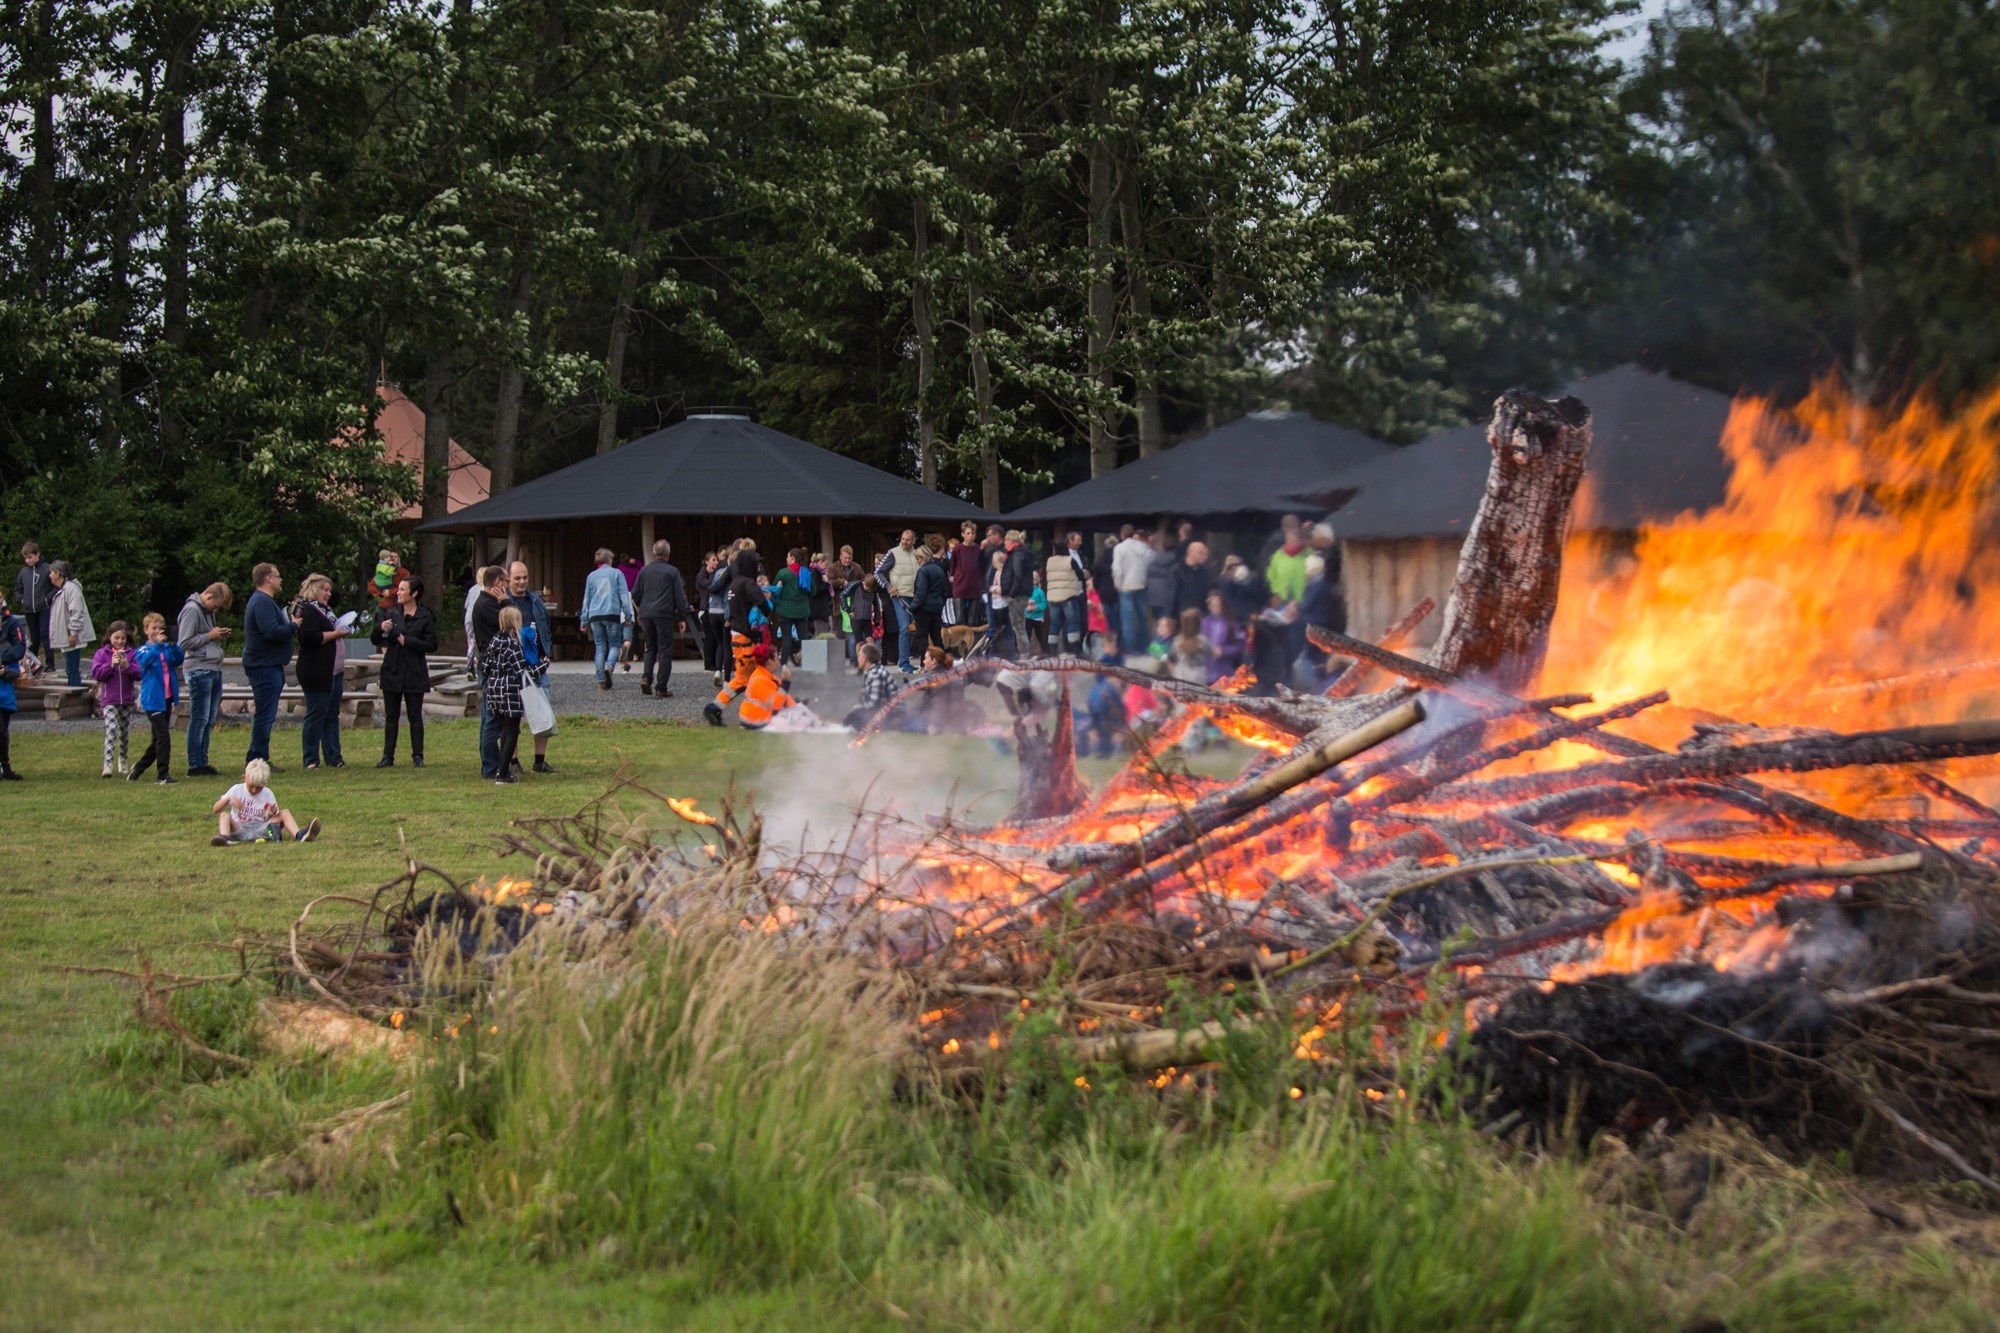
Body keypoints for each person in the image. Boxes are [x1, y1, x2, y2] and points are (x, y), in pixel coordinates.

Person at [373, 574, 435, 768]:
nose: (397, 593)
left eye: (402, 590)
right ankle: (387, 756)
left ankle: (418, 755)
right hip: (392, 670)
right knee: (391, 717)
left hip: (414, 672)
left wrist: (407, 641)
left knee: (415, 716)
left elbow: (432, 644)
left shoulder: (425, 616)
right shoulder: (391, 613)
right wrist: (381, 628)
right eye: (398, 589)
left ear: (414, 593)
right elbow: (375, 639)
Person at [706, 547, 771, 726]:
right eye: (756, 563)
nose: (758, 567)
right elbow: (763, 604)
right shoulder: (748, 583)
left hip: (736, 635)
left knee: (748, 679)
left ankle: (720, 709)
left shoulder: (735, 583)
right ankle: (753, 716)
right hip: (746, 639)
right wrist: (767, 606)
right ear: (749, 564)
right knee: (752, 678)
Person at [505, 562, 557, 773]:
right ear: (508, 579)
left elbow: (546, 629)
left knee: (542, 713)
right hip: (512, 666)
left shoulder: (536, 602)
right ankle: (513, 761)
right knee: (512, 716)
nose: (522, 582)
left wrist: (546, 653)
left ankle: (539, 761)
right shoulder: (503, 603)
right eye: (517, 578)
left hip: (535, 664)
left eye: (525, 577)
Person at [177, 582, 232, 777]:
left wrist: (216, 636)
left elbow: (203, 637)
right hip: (199, 669)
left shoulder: (207, 611)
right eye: (215, 606)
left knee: (209, 719)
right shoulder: (192, 610)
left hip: (212, 667)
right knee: (199, 718)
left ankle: (203, 760)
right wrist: (210, 635)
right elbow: (184, 642)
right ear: (208, 597)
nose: (215, 610)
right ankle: (194, 764)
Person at [241, 562, 292, 768]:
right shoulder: (262, 602)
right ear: (268, 579)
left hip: (269, 665)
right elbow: (270, 631)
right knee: (265, 714)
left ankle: (257, 755)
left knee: (266, 714)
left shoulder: (264, 601)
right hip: (263, 666)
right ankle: (257, 759)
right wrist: (293, 626)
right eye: (278, 576)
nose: (281, 580)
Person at [294, 573, 344, 770]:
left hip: (334, 669)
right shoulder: (308, 610)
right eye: (324, 589)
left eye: (329, 590)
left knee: (332, 713)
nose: (328, 593)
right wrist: (337, 634)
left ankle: (334, 756)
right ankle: (310, 758)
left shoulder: (326, 610)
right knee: (316, 713)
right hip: (316, 669)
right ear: (314, 590)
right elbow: (309, 637)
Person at [128, 612, 184, 784]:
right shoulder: (143, 650)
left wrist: (173, 645)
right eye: (154, 628)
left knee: (157, 739)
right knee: (164, 737)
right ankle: (162, 775)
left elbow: (178, 660)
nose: (158, 631)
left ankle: (138, 768)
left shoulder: (165, 648)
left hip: (166, 697)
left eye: (160, 628)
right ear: (146, 630)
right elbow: (143, 664)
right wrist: (157, 646)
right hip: (152, 699)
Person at [630, 540, 690, 698]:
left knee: (650, 648)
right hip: (663, 614)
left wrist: (641, 609)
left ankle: (646, 677)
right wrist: (682, 616)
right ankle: (661, 688)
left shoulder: (644, 571)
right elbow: (679, 595)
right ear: (668, 554)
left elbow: (635, 594)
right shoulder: (672, 571)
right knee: (664, 651)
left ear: (653, 553)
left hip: (646, 613)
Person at [211, 758, 319, 844]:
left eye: (259, 788)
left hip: (261, 829)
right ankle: (225, 838)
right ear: (244, 778)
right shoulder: (236, 789)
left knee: (284, 813)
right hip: (240, 828)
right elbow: (215, 809)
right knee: (224, 815)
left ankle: (300, 835)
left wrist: (271, 815)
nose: (254, 790)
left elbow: (274, 820)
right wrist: (228, 799)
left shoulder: (267, 793)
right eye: (251, 786)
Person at [481, 605, 529, 784]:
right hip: (510, 691)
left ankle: (501, 769)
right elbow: (521, 669)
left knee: (504, 731)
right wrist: (543, 665)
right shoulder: (513, 644)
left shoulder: (494, 641)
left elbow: (484, 667)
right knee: (512, 733)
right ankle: (503, 773)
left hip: (494, 690)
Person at [468, 565, 507, 778]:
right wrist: (507, 602)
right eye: (506, 582)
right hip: (492, 667)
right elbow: (511, 622)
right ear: (498, 583)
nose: (508, 586)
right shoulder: (487, 606)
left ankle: (491, 765)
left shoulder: (486, 603)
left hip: (489, 665)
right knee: (492, 719)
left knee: (489, 717)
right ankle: (490, 767)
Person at [92, 620, 142, 777]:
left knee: (124, 733)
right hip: (109, 700)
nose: (120, 641)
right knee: (112, 729)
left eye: (123, 638)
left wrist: (127, 666)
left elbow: (139, 674)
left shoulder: (132, 654)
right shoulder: (101, 654)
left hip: (127, 700)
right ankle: (107, 764)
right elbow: (97, 674)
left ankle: (123, 761)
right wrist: (110, 665)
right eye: (116, 638)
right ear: (109, 637)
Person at [581, 548, 632, 690]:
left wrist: (584, 621)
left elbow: (586, 600)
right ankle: (609, 667)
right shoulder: (617, 573)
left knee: (599, 647)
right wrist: (628, 616)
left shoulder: (591, 576)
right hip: (612, 613)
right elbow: (624, 597)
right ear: (609, 560)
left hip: (595, 615)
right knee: (615, 644)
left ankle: (600, 681)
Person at [874, 529, 922, 670]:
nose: (904, 541)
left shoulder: (916, 554)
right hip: (899, 595)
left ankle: (905, 658)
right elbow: (878, 572)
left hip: (915, 595)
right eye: (902, 538)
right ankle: (904, 662)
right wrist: (888, 586)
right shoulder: (893, 552)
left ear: (913, 540)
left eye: (907, 539)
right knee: (904, 627)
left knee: (912, 629)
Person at [46, 559, 94, 686]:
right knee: (70, 669)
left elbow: (76, 612)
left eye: (51, 573)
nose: (49, 576)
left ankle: (75, 697)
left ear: (57, 573)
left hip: (72, 637)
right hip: (67, 636)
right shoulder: (65, 588)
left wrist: (73, 633)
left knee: (72, 669)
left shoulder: (71, 588)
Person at [733, 642, 799, 730]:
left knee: (798, 716)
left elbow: (783, 698)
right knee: (797, 721)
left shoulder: (765, 675)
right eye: (776, 658)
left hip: (754, 718)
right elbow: (776, 706)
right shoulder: (760, 680)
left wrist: (796, 705)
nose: (779, 661)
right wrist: (785, 682)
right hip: (756, 721)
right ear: (770, 661)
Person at [1111, 527, 1153, 658]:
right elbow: (1150, 565)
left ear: (1122, 535)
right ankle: (1144, 647)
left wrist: (1118, 585)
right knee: (1142, 618)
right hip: (1141, 585)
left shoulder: (1120, 548)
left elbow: (1117, 568)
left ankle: (1130, 650)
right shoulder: (1145, 549)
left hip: (1126, 586)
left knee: (1127, 620)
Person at [843, 641, 905, 729]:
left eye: (859, 656)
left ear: (865, 658)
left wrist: (854, 711)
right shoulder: (874, 671)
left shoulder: (875, 673)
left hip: (894, 717)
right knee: (856, 721)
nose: (858, 659)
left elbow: (873, 703)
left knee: (856, 722)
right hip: (889, 714)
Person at [1044, 531, 1087, 657]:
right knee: (1072, 623)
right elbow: (1080, 575)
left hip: (1053, 597)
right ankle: (1075, 650)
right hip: (1068, 596)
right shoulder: (1070, 560)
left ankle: (1052, 651)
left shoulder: (1049, 561)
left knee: (1055, 624)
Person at [771, 548, 812, 668]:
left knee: (786, 637)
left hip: (786, 611)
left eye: (788, 556)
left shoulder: (783, 573)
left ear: (792, 558)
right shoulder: (806, 573)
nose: (786, 559)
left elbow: (774, 589)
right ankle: (808, 661)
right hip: (802, 611)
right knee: (803, 636)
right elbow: (812, 591)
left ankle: (784, 663)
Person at [998, 530, 1036, 660]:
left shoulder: (1017, 554)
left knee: (1018, 625)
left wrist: (1012, 593)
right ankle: (1024, 652)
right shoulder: (1021, 553)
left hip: (1017, 594)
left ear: (1011, 540)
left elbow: (1017, 575)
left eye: (1005, 540)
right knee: (1019, 624)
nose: (1004, 542)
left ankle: (1024, 653)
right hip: (1022, 592)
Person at [0, 590, 24, 780]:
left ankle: (5, 765)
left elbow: (19, 649)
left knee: (4, 726)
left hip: (5, 679)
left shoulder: (12, 622)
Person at [13, 542, 52, 658]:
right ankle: (34, 664)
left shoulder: (47, 568)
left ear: (37, 554)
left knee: (45, 635)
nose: (28, 561)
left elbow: (55, 586)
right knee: (34, 638)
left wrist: (48, 598)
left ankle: (50, 664)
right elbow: (17, 590)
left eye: (30, 557)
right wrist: (22, 600)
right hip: (29, 609)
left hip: (44, 608)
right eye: (25, 558)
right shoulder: (23, 572)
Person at [909, 545, 949, 659]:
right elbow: (944, 592)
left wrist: (913, 606)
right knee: (936, 637)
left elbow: (921, 593)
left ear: (922, 558)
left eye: (917, 558)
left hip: (923, 609)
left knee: (923, 638)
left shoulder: (923, 571)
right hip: (937, 607)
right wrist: (940, 603)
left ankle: (924, 664)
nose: (917, 561)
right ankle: (942, 661)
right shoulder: (939, 569)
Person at [694, 550, 729, 678]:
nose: (715, 562)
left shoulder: (716, 573)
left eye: (716, 560)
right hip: (705, 608)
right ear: (707, 561)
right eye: (713, 560)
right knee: (709, 637)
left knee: (715, 637)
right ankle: (708, 663)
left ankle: (715, 662)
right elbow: (709, 586)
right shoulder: (702, 574)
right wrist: (711, 575)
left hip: (712, 608)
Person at [1201, 590, 1245, 682]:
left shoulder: (1231, 624)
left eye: (1216, 604)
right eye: (1211, 604)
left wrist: (1223, 651)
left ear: (1222, 605)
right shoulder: (1204, 622)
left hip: (1223, 674)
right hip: (1205, 673)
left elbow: (1240, 646)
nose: (1213, 607)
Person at [947, 522, 983, 628]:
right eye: (968, 533)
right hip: (960, 585)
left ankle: (973, 643)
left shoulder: (978, 549)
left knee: (973, 620)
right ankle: (960, 643)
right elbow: (952, 564)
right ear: (962, 534)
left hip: (975, 586)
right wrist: (952, 576)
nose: (970, 535)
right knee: (959, 619)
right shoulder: (957, 549)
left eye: (972, 533)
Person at [1166, 608, 1213, 687]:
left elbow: (1171, 657)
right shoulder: (1203, 641)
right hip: (1198, 676)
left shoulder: (1177, 641)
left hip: (1181, 675)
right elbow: (1210, 653)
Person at [1171, 541, 1213, 619]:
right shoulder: (1176, 571)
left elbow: (1208, 592)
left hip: (1200, 616)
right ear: (1190, 553)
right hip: (1181, 617)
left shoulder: (1205, 572)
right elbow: (1171, 597)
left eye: (1205, 553)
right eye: (1200, 553)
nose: (1205, 556)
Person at [1145, 529, 1179, 625]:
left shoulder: (1154, 559)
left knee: (1157, 620)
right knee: (1166, 621)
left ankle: (1158, 637)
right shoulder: (1174, 562)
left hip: (1153, 595)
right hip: (1165, 596)